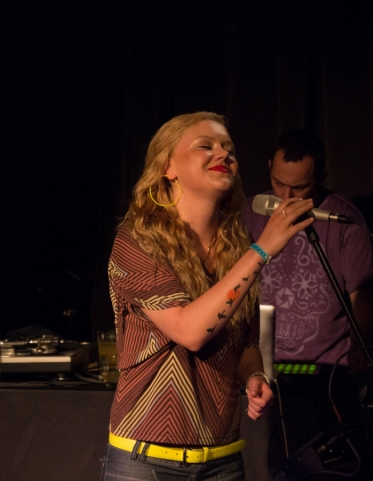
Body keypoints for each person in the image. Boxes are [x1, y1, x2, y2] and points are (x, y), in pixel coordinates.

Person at [102, 112, 315, 480]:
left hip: (223, 460)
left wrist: (254, 376)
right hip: (147, 460)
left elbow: (246, 346)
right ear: (168, 167)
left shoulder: (238, 247)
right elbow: (190, 331)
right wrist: (262, 250)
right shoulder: (138, 241)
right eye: (206, 146)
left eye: (228, 148)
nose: (223, 153)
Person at [241, 130, 373, 371]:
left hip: (326, 366)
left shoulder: (344, 220)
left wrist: (359, 345)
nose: (286, 196)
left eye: (300, 187)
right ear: (270, 166)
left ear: (321, 177)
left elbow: (361, 293)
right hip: (259, 364)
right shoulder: (248, 213)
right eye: (278, 183)